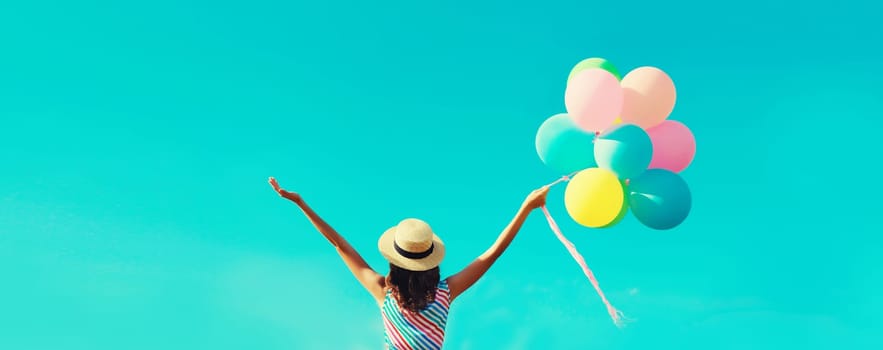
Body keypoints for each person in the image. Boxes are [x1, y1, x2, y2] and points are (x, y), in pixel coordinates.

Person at [268, 177, 549, 349]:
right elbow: (492, 254)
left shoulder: (384, 291)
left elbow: (339, 245)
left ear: (394, 260)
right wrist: (526, 207)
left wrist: (301, 204)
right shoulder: (445, 292)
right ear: (431, 260)